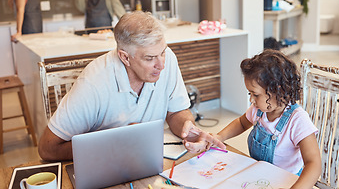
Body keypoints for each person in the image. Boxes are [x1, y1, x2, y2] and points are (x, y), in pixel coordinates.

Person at [38, 11, 225, 161]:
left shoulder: (168, 59)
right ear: (125, 57)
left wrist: (187, 128)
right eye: (150, 58)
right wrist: (115, 142)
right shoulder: (94, 82)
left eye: (162, 52)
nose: (162, 65)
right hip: (106, 163)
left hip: (149, 158)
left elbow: (175, 112)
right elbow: (47, 148)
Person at [210, 50, 321, 188]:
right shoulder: (259, 111)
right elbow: (241, 123)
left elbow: (313, 163)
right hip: (259, 176)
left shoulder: (297, 120)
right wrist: (220, 136)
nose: (251, 100)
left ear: (278, 90)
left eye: (255, 95)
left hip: (288, 182)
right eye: (249, 93)